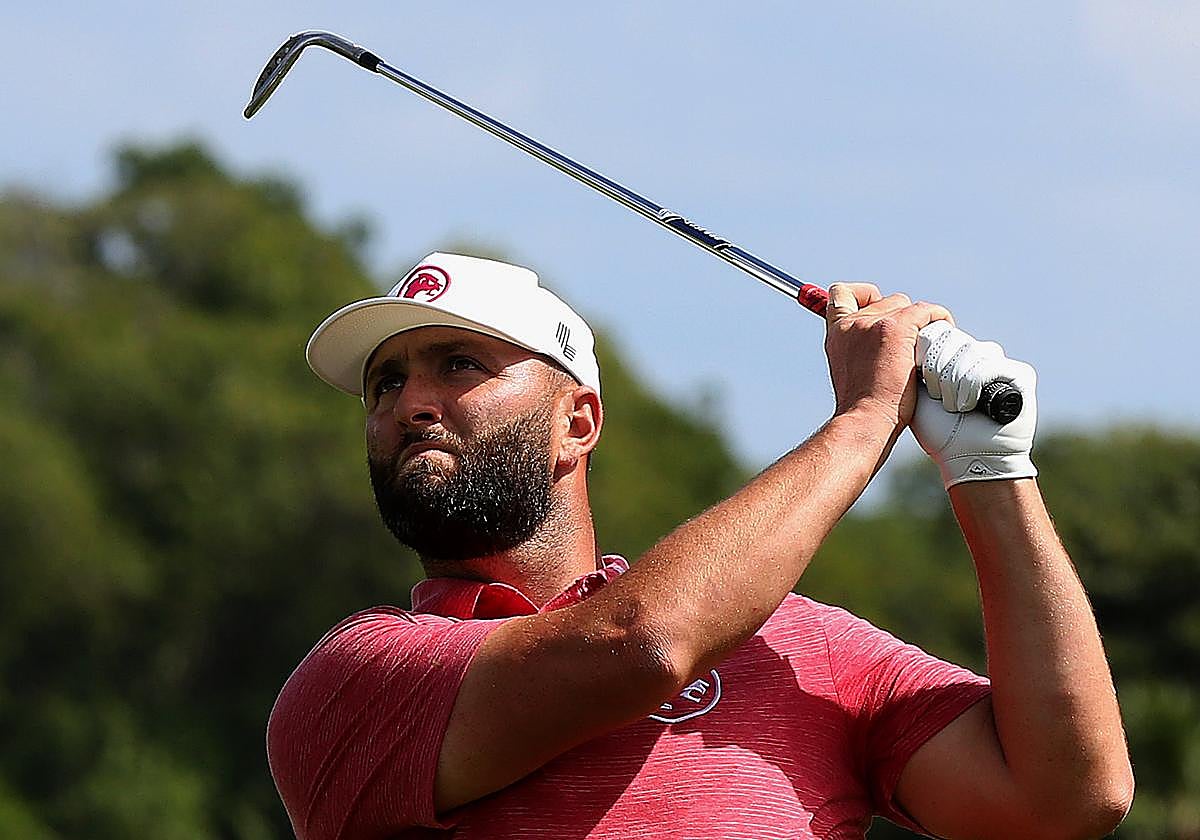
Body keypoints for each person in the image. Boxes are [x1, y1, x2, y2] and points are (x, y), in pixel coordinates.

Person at [267, 251, 1133, 839]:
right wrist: (867, 419)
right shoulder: (355, 680)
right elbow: (640, 644)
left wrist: (988, 465)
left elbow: (1068, 798)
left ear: (578, 422)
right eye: (387, 382)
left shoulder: (802, 645)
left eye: (458, 365)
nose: (409, 402)